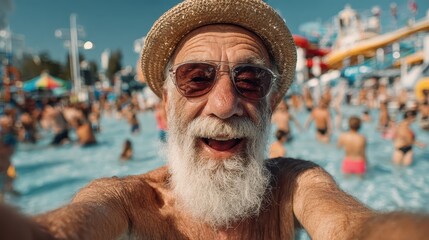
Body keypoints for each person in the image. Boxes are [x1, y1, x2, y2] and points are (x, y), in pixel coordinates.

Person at [0, 0, 428, 239]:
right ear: (164, 102)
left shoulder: (295, 187)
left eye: (250, 80)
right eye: (196, 78)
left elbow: (357, 228)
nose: (224, 105)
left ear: (272, 102)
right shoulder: (130, 202)